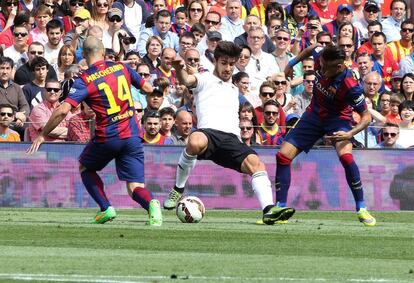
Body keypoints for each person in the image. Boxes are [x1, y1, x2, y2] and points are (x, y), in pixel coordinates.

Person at [27, 36, 163, 226]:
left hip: (109, 135)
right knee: (135, 186)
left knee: (85, 167)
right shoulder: (122, 67)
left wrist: (43, 134)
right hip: (132, 133)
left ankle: (106, 208)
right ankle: (152, 205)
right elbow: (148, 87)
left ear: (83, 53)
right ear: (102, 51)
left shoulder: (85, 79)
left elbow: (64, 109)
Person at [164, 41, 295, 225]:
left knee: (257, 164)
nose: (228, 68)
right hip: (208, 134)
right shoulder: (205, 79)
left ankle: (268, 210)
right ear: (216, 61)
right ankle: (178, 188)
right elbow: (187, 80)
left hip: (231, 140)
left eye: (232, 64)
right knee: (194, 140)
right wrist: (179, 68)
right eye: (224, 63)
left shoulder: (234, 89)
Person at [281, 44, 376, 226]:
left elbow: (366, 116)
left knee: (346, 157)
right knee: (282, 155)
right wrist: (290, 64)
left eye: (326, 68)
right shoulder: (321, 56)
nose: (320, 69)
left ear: (339, 67)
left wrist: (349, 133)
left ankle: (362, 208)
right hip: (314, 115)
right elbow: (312, 48)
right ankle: (279, 207)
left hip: (337, 120)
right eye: (321, 65)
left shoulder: (350, 85)